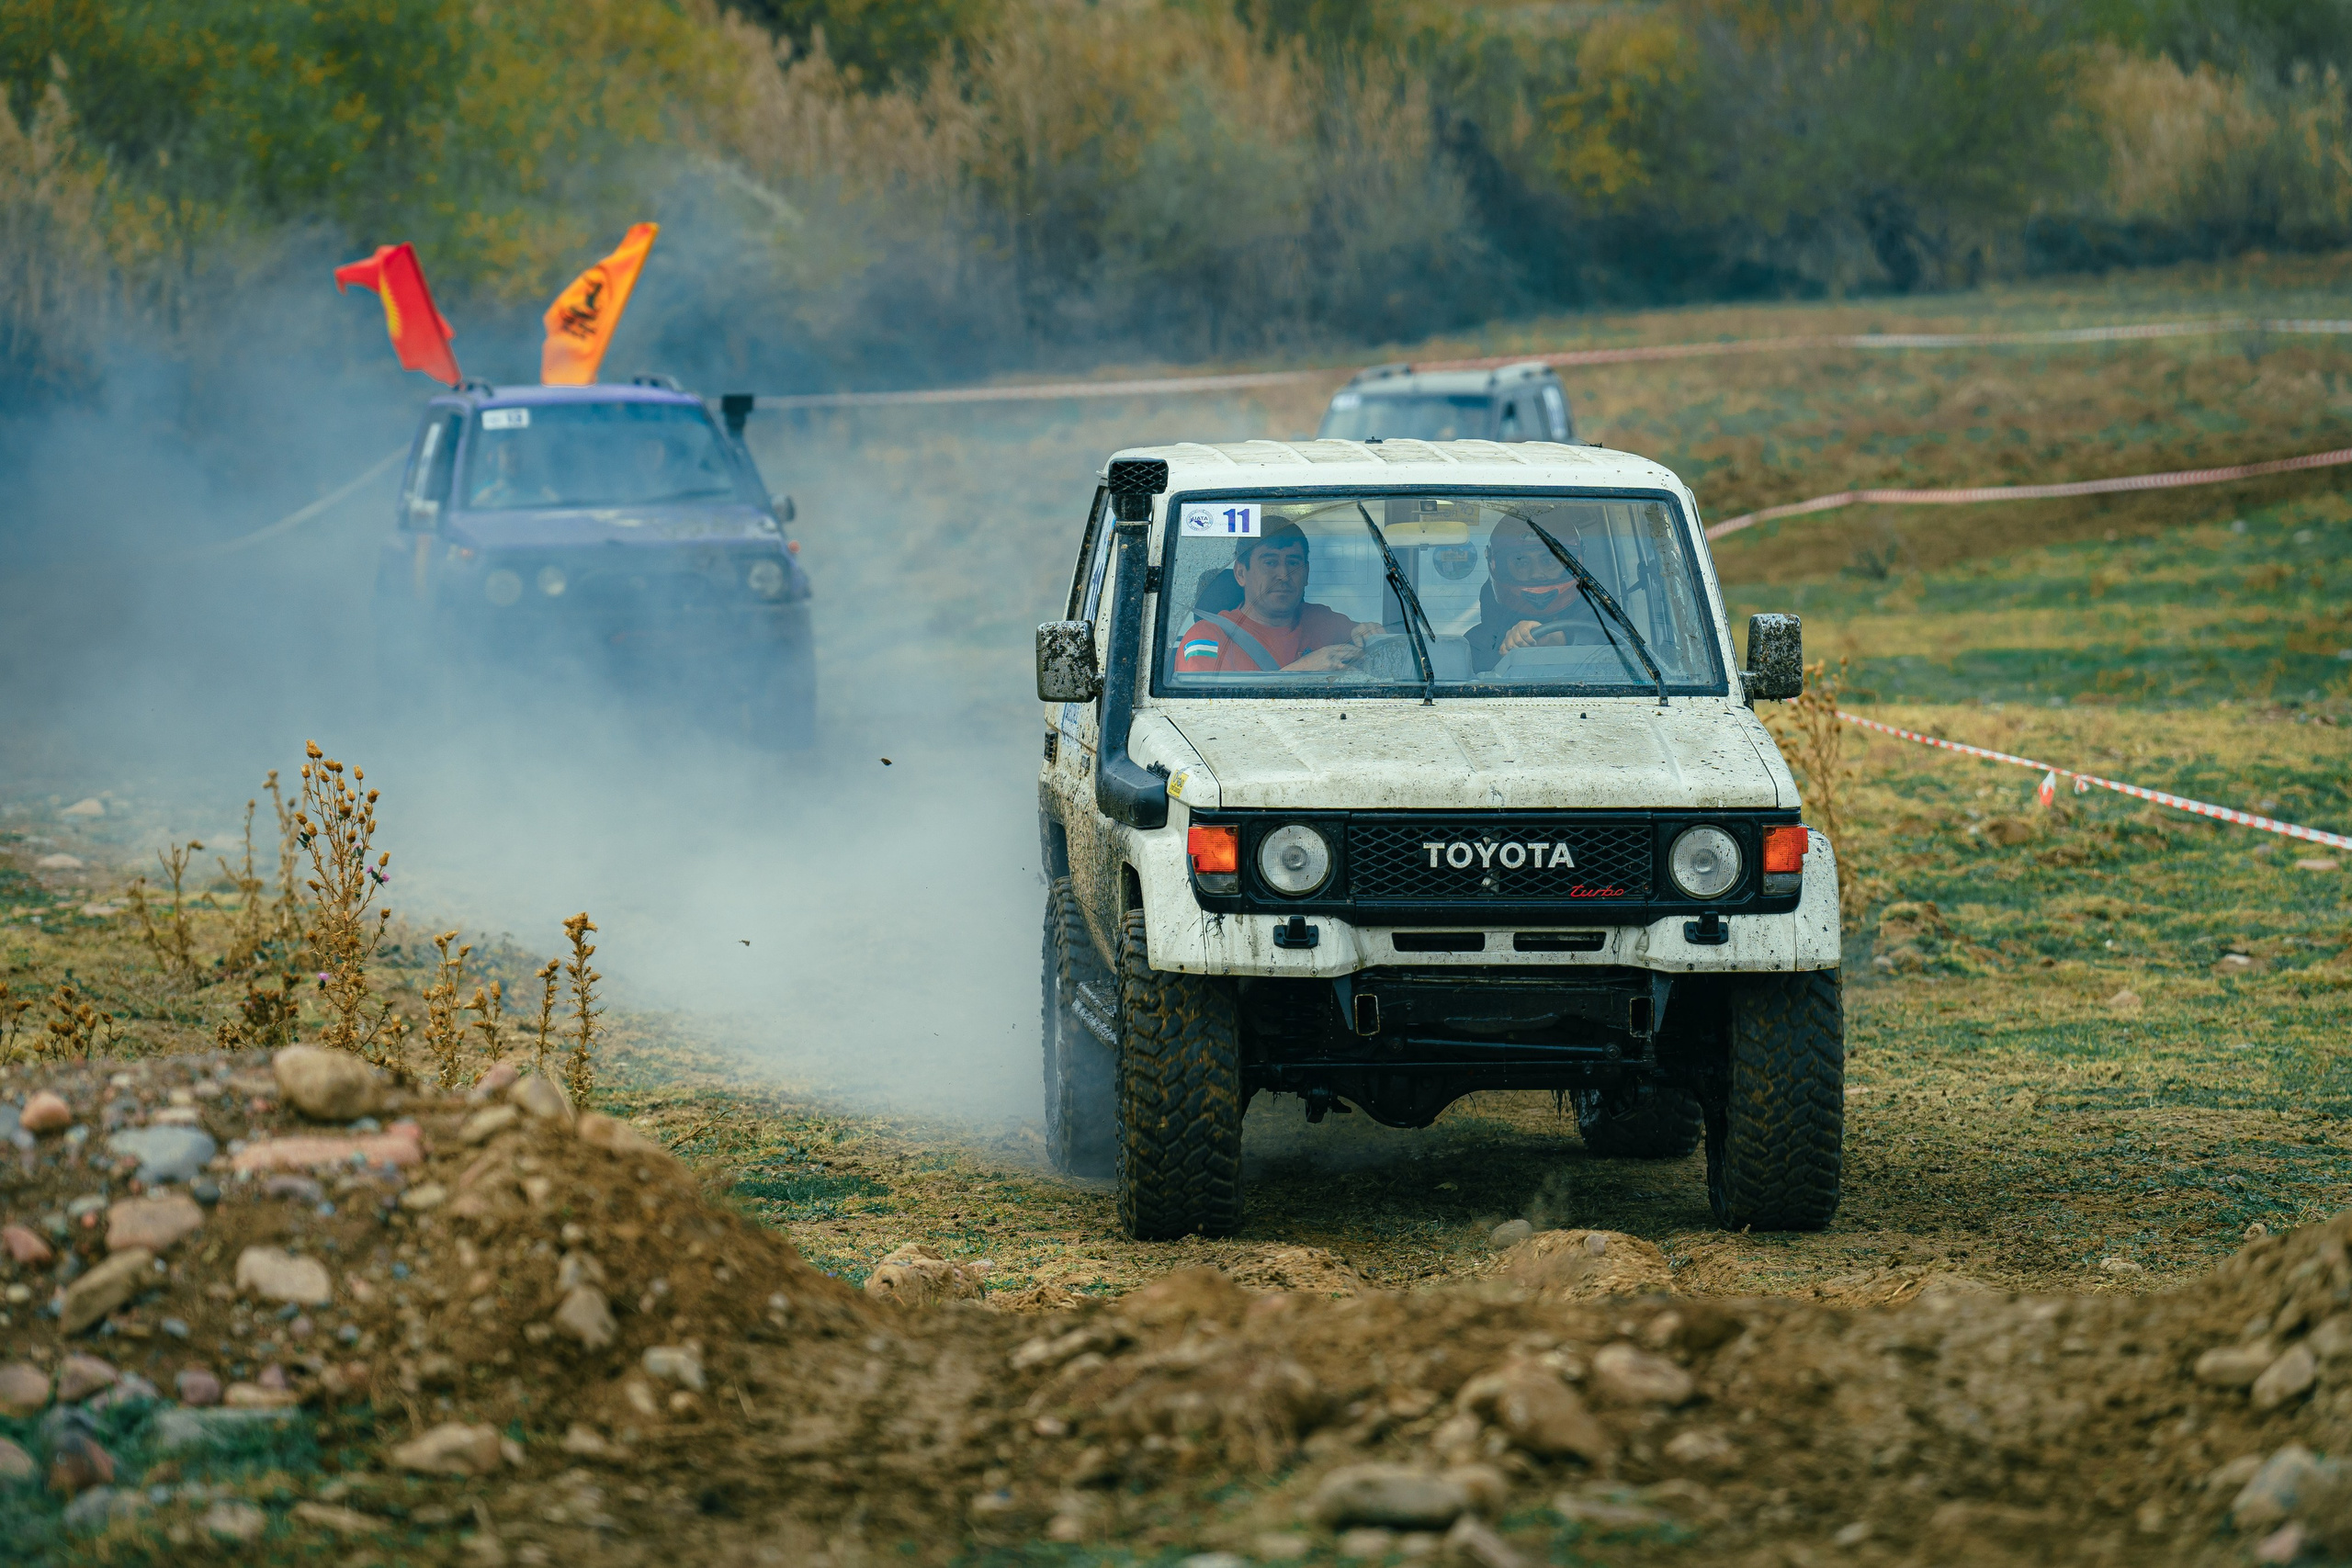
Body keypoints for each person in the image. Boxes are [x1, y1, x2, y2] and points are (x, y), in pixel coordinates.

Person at [1173, 522, 1382, 674]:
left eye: (1293, 563)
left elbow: (1383, 655)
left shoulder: (1324, 621)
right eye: (1270, 563)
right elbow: (1202, 714)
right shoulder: (1208, 639)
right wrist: (1300, 671)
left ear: (1307, 573)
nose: (1284, 574)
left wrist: (1373, 635)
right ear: (1241, 573)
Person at [1464, 514, 1601, 672]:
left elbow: (1617, 651)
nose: (1536, 574)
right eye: (1522, 562)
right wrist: (1504, 653)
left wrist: (1560, 638)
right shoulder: (1476, 645)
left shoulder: (1607, 623)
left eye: (1549, 561)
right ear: (1502, 567)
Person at [469, 438, 557, 509]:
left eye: (518, 451)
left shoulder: (537, 488)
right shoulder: (478, 493)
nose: (515, 456)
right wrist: (481, 501)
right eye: (508, 451)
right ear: (493, 458)